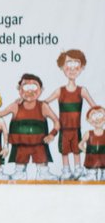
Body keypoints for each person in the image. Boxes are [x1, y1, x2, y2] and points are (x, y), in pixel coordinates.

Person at [43, 50, 96, 181]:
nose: (72, 69)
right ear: (62, 67)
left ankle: (78, 169)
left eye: (76, 64)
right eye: (68, 64)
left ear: (82, 68)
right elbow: (44, 103)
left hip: (76, 128)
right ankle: (66, 170)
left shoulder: (82, 90)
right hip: (63, 129)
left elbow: (94, 106)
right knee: (64, 150)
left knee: (77, 150)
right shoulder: (60, 91)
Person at [0, 73, 59, 181]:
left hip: (39, 143)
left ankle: (43, 174)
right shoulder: (15, 106)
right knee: (20, 165)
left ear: (41, 89)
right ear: (19, 89)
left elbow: (57, 122)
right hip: (20, 143)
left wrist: (52, 134)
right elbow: (0, 114)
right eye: (25, 87)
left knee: (42, 163)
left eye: (34, 87)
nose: (29, 91)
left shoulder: (43, 106)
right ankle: (19, 173)